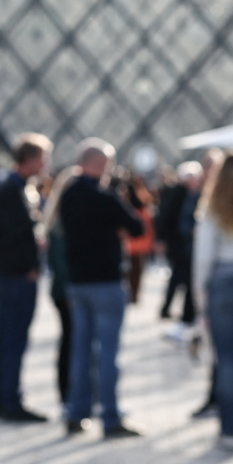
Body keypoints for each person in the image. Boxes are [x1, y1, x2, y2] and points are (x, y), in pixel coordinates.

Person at [60, 139, 144, 438]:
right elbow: (137, 227)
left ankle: (76, 411)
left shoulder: (68, 195)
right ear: (101, 164)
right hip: (106, 282)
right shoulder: (105, 198)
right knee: (108, 353)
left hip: (78, 283)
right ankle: (110, 416)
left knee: (81, 351)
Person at [192, 150, 233, 451]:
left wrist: (200, 297)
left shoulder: (212, 208)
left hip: (221, 285)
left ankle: (229, 429)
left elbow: (203, 258)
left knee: (226, 360)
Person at [0, 133, 52, 422]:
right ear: (30, 159)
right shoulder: (12, 190)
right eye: (43, 158)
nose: (45, 164)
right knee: (12, 340)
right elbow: (12, 235)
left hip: (12, 276)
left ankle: (3, 398)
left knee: (6, 340)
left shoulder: (17, 188)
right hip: (16, 278)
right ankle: (9, 400)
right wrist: (29, 265)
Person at [42, 167, 81, 408]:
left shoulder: (58, 220)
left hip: (66, 290)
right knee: (70, 340)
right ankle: (67, 391)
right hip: (67, 292)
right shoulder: (60, 224)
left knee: (71, 339)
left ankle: (70, 390)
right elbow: (60, 264)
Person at [158, 161, 203, 332]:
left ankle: (174, 310)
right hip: (178, 244)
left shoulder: (188, 193)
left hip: (180, 244)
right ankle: (181, 313)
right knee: (181, 277)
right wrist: (163, 239)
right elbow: (166, 217)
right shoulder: (178, 194)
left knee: (178, 278)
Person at [124, 176, 155, 304]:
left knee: (134, 270)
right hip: (135, 242)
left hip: (135, 242)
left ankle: (133, 294)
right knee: (135, 270)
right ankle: (133, 295)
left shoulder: (135, 194)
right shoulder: (134, 196)